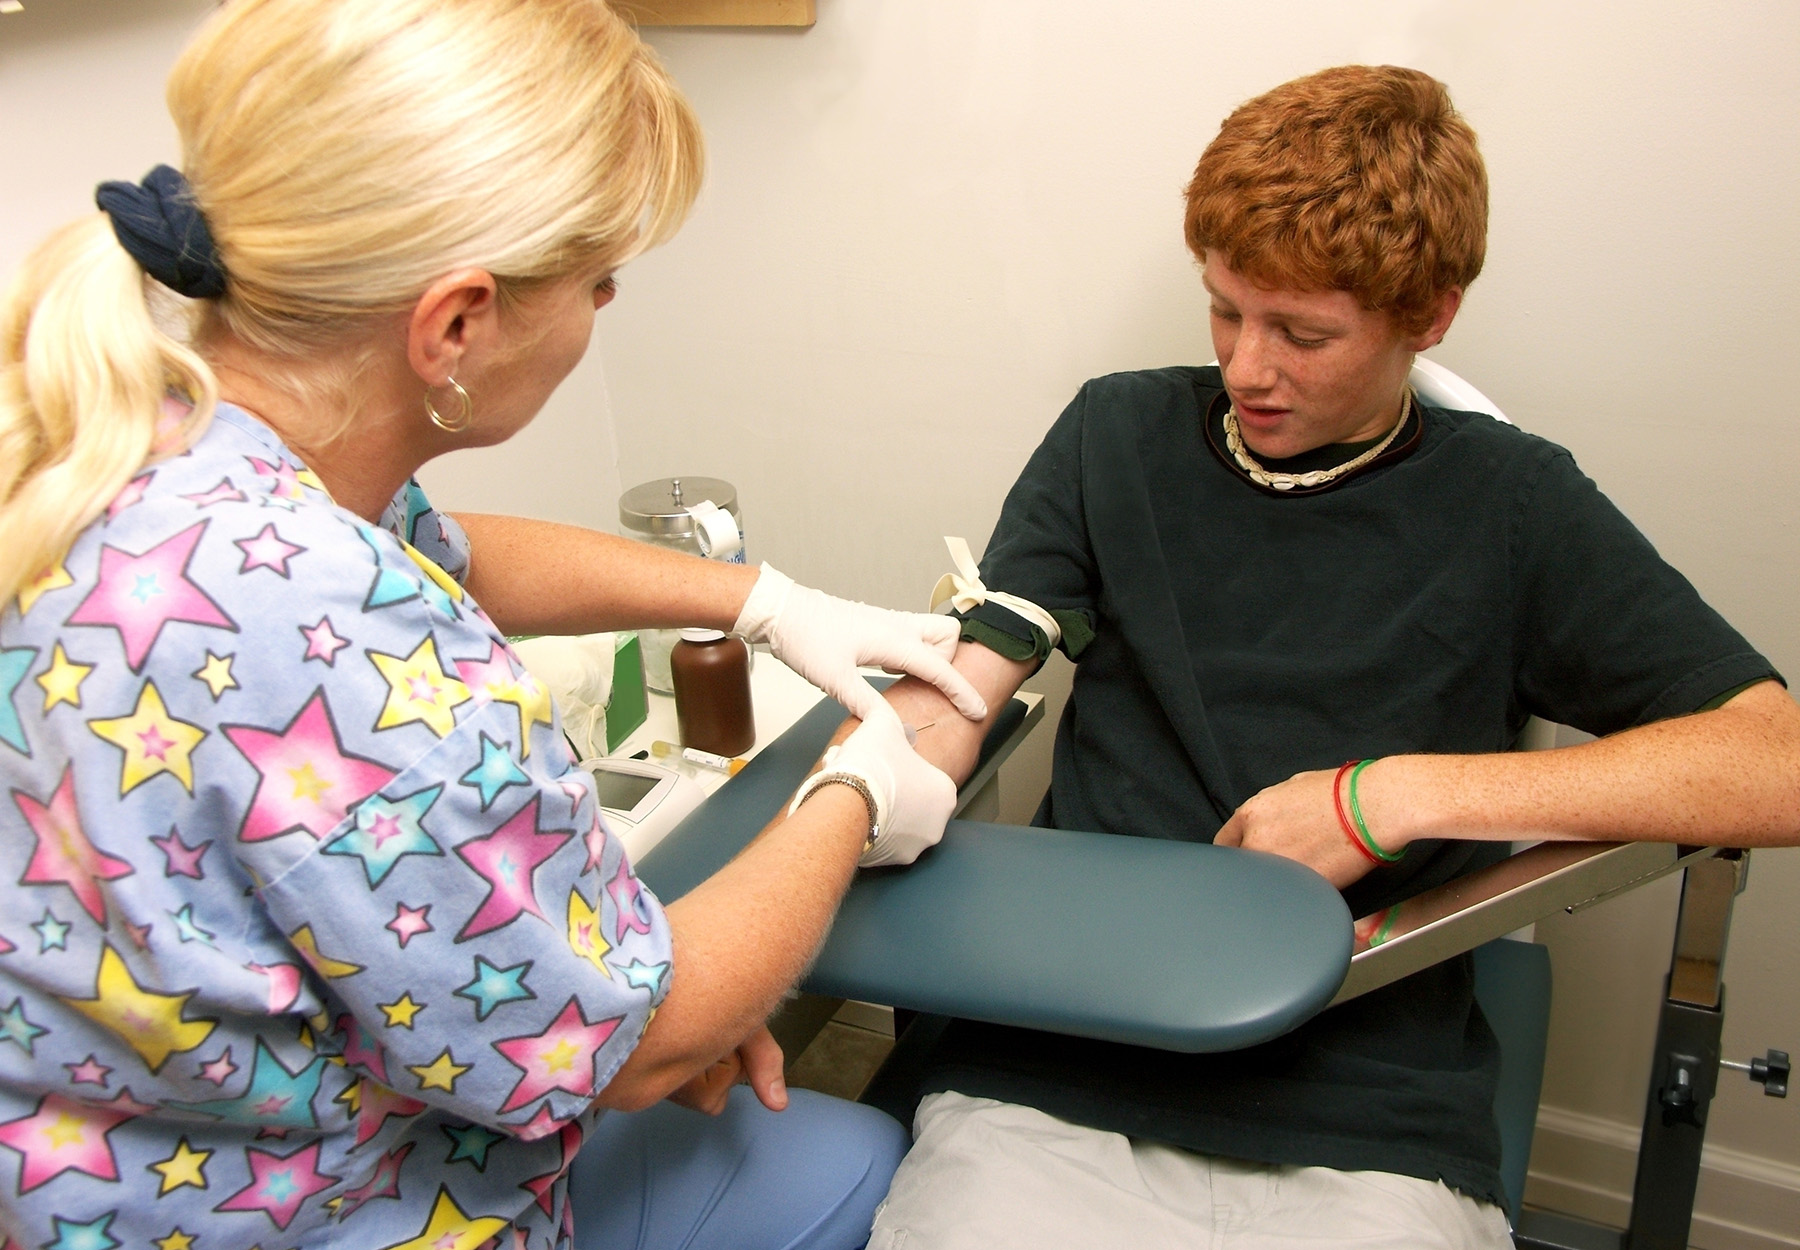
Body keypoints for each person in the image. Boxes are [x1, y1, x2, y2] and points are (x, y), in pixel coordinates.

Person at [0, 2, 988, 1248]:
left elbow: (446, 543)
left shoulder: (128, 436)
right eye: (600, 283)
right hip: (324, 1211)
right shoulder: (374, 669)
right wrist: (854, 786)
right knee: (854, 1153)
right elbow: (643, 1042)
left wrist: (762, 599)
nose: (604, 309)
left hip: (98, 1169)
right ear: (458, 324)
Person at [849, 65, 1800, 1249]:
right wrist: (860, 786)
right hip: (1065, 1058)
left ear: (1430, 314)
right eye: (1224, 310)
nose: (1248, 368)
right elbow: (970, 678)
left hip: (1364, 1102)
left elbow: (1774, 760)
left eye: (1303, 333)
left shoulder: (1510, 503)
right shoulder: (1116, 436)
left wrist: (1392, 794)